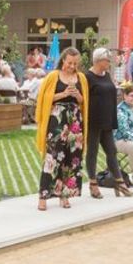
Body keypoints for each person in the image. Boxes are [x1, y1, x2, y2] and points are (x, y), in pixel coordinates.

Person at [34, 48, 89, 210]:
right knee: (52, 157)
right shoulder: (53, 76)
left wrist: (77, 95)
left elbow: (83, 101)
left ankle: (65, 195)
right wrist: (63, 94)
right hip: (57, 119)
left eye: (75, 63)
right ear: (63, 60)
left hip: (75, 121)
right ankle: (43, 196)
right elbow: (43, 98)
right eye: (69, 62)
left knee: (72, 158)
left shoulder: (81, 78)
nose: (72, 66)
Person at [86, 47, 133, 198]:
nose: (109, 63)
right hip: (93, 121)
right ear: (99, 60)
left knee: (111, 151)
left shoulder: (107, 75)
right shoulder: (87, 77)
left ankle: (119, 182)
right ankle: (93, 184)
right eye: (107, 60)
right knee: (92, 152)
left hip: (107, 120)